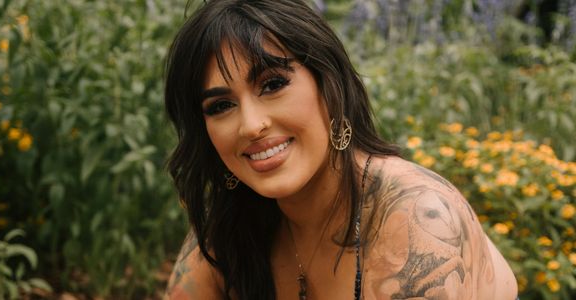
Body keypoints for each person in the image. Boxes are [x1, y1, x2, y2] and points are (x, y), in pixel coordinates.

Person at [162, 0, 518, 299]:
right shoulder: (231, 226)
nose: (252, 125)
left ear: (329, 84)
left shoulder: (415, 218)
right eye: (221, 106)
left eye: (272, 84)